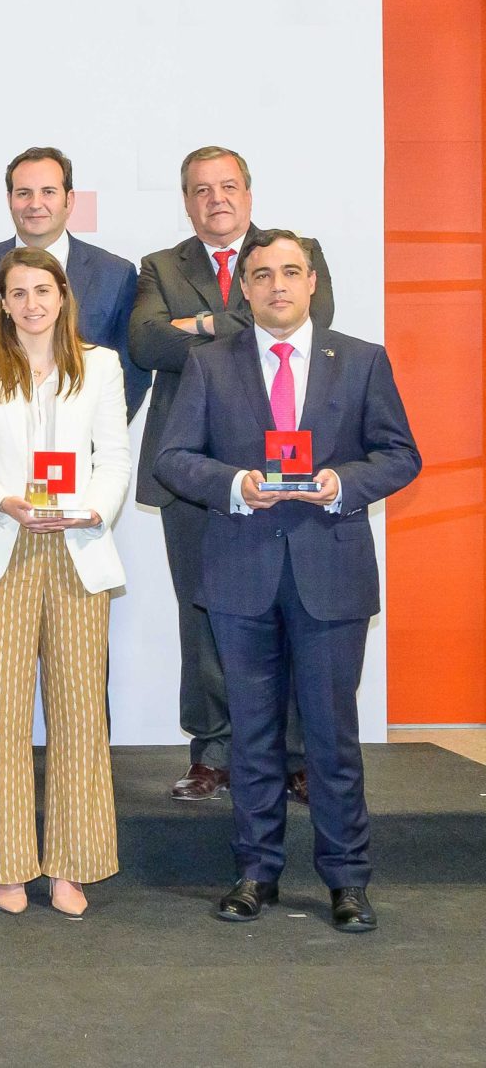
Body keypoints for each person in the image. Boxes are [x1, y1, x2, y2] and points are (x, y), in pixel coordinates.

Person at [155, 229, 417, 933]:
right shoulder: (209, 364)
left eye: (291, 272)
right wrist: (236, 484)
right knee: (252, 736)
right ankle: (256, 872)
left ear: (311, 283)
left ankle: (347, 880)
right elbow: (173, 458)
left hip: (331, 572)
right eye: (263, 274)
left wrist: (343, 483)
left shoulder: (360, 360)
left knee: (332, 738)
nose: (277, 285)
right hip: (241, 573)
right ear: (244, 288)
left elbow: (400, 454)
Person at [131, 146, 333, 802]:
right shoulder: (160, 266)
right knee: (203, 615)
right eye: (201, 189)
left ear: (248, 193)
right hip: (189, 466)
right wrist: (240, 328)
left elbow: (307, 323)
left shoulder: (297, 252)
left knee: (292, 607)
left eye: (227, 186)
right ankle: (213, 754)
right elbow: (146, 341)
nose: (215, 199)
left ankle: (294, 754)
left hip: (283, 461)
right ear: (187, 202)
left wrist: (200, 324)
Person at [0, 248, 132, 917]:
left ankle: (72, 867)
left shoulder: (101, 365)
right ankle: (5, 864)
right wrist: (3, 501)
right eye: (17, 293)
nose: (31, 304)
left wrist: (93, 511)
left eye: (42, 291)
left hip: (78, 549)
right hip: (3, 547)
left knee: (80, 716)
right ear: (2, 302)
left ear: (63, 294)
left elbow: (115, 459)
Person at [0, 148, 148, 416]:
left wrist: (92, 434)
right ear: (9, 200)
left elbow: (132, 374)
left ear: (69, 200)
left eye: (48, 192)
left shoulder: (115, 274)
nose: (35, 204)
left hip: (82, 438)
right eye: (24, 193)